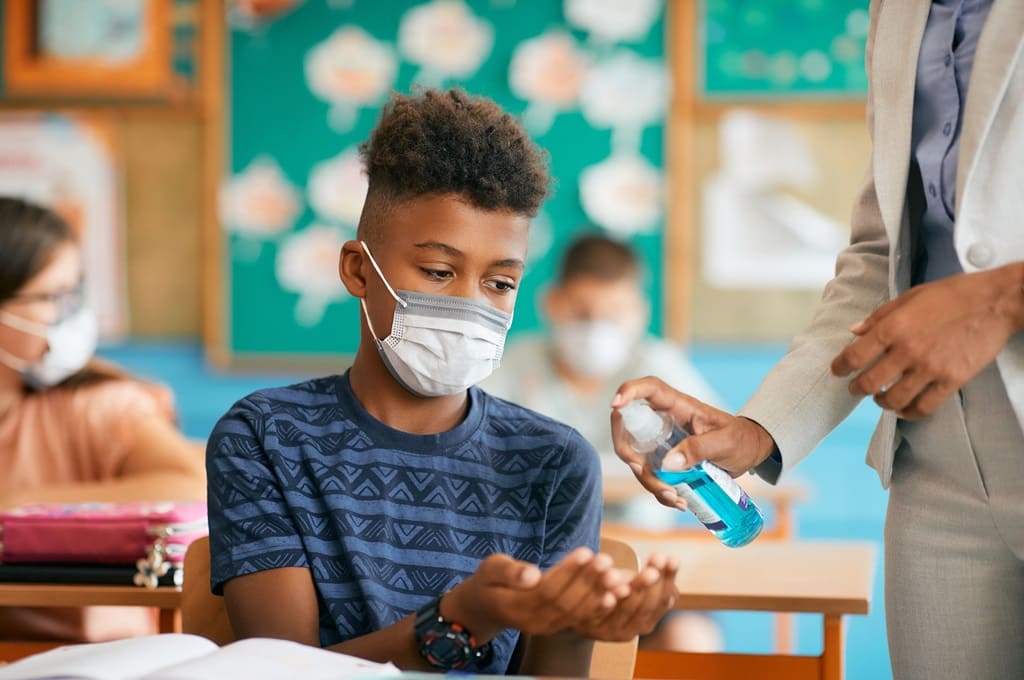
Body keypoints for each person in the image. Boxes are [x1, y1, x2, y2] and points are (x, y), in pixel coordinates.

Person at [611, 2, 1024, 678]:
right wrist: (761, 428)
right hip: (938, 461)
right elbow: (880, 257)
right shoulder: (896, 12)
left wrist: (1006, 296)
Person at [206, 89, 679, 676]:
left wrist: (575, 624)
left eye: (500, 284)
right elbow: (280, 673)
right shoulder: (265, 438)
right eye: (438, 271)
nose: (469, 305)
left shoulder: (554, 462)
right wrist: (459, 620)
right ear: (358, 269)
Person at [483, 233, 723, 652]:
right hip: (538, 568)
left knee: (691, 641)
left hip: (641, 566)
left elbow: (722, 455)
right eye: (582, 312)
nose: (597, 328)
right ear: (552, 303)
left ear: (638, 312)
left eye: (614, 314)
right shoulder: (511, 363)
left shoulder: (657, 367)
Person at [0, 197, 206, 641]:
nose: (70, 314)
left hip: (98, 658)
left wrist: (17, 500)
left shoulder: (98, 404)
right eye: (55, 297)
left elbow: (192, 484)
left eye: (75, 293)